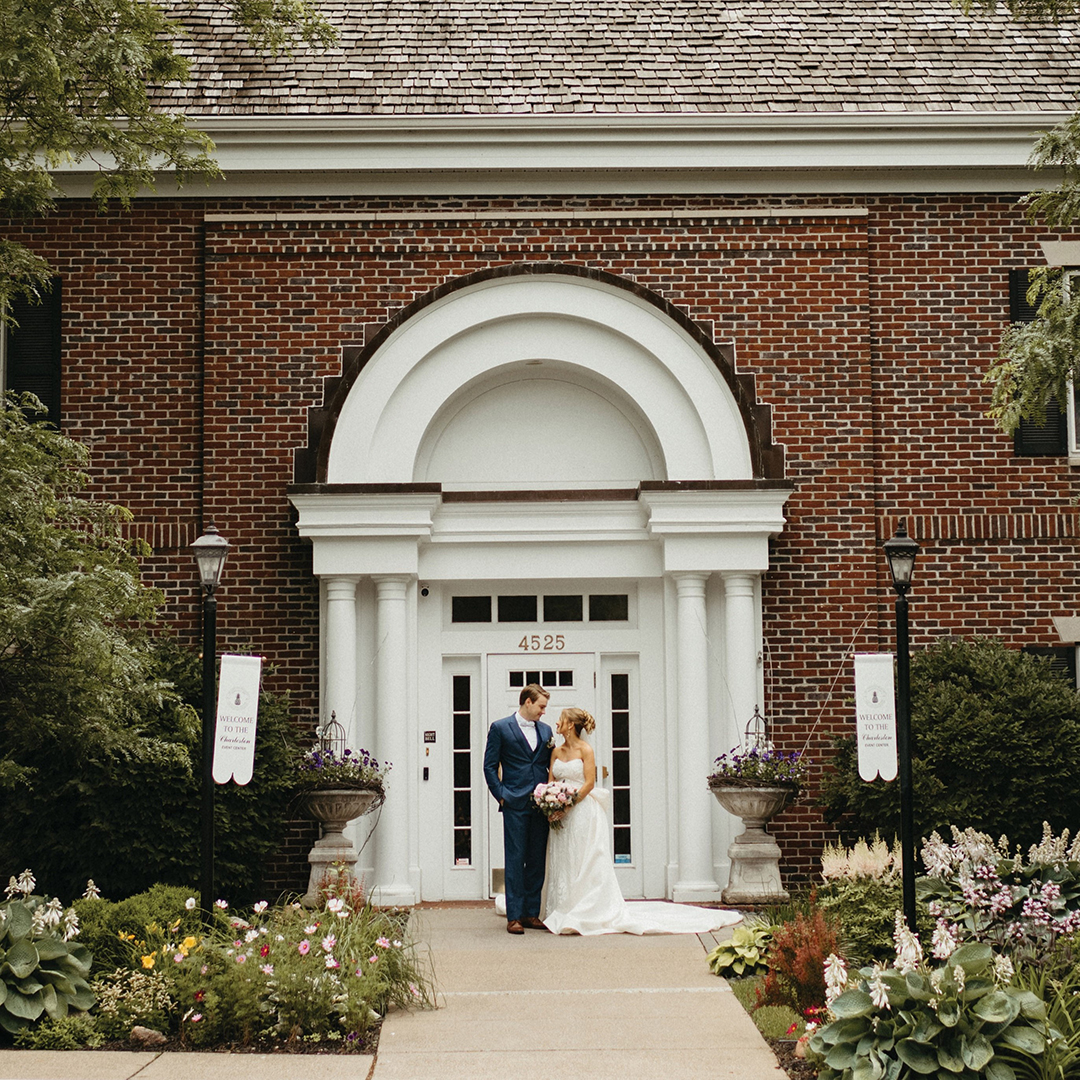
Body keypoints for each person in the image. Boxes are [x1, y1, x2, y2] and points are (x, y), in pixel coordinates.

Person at [542, 707, 743, 936]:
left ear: (570, 725)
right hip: (560, 816)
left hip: (581, 812)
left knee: (582, 859)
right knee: (564, 858)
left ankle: (584, 909)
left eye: (561, 720)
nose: (557, 723)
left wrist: (568, 803)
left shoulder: (586, 750)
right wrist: (551, 805)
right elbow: (550, 782)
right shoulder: (556, 752)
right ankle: (562, 906)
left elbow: (589, 783)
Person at [483, 683, 553, 935]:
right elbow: (489, 766)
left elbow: (550, 765)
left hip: (542, 804)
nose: (544, 712)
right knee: (515, 859)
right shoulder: (501, 728)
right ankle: (514, 916)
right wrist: (501, 796)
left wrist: (553, 796)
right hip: (514, 802)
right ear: (527, 702)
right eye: (541, 706)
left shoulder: (546, 732)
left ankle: (531, 913)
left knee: (536, 859)